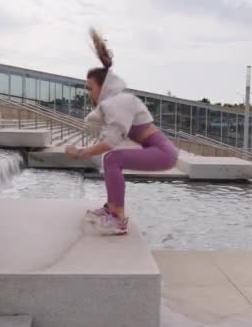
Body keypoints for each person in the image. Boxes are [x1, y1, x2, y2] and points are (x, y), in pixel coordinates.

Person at [66, 28, 178, 235]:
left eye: (90, 87)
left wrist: (81, 153)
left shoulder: (117, 103)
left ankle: (118, 219)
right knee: (111, 159)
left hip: (164, 153)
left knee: (112, 158)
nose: (89, 92)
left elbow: (111, 142)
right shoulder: (116, 102)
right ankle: (111, 207)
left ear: (103, 86)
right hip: (160, 150)